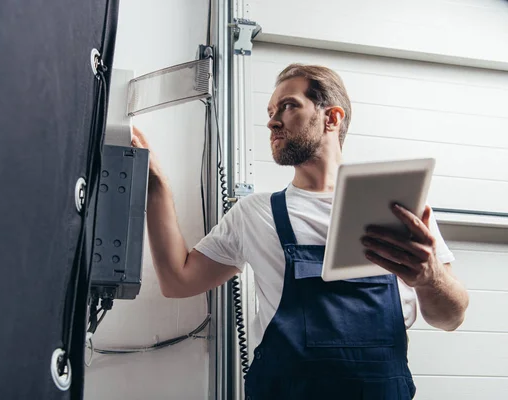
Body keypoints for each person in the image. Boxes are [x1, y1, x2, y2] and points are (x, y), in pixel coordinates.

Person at [131, 64, 469, 399]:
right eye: (270, 111)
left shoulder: (400, 209)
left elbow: (451, 318)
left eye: (288, 106)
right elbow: (178, 280)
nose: (272, 120)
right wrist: (157, 186)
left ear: (331, 118)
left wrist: (430, 278)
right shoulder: (255, 214)